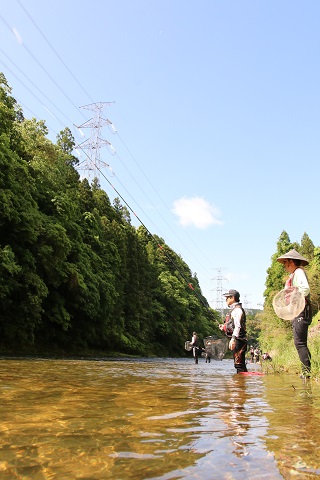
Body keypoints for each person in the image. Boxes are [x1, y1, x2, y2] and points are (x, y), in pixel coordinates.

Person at [277, 249, 312, 378]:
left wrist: (294, 296)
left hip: (302, 310)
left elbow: (305, 289)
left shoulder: (299, 272)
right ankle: (306, 372)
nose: (284, 266)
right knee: (299, 342)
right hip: (298, 310)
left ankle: (307, 373)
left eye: (285, 263)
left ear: (291, 262)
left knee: (300, 343)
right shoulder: (294, 275)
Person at [219, 289, 248, 373]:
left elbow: (238, 325)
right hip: (238, 340)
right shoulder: (234, 309)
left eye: (227, 297)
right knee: (238, 364)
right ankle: (240, 383)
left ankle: (240, 385)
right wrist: (224, 327)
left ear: (233, 298)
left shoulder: (237, 310)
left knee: (239, 365)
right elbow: (232, 325)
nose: (226, 300)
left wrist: (233, 339)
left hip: (239, 340)